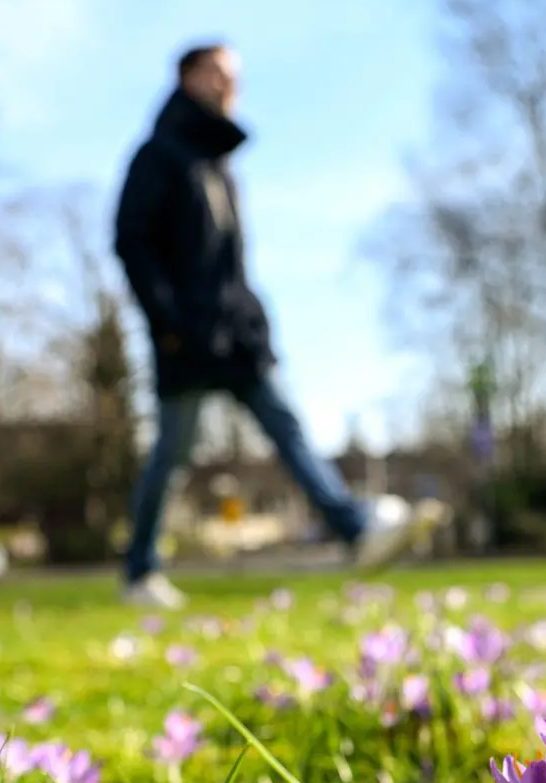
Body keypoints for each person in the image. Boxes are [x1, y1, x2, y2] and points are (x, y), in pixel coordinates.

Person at [112, 41, 447, 609]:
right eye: (217, 72)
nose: (229, 85)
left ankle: (356, 531)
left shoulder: (217, 162)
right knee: (173, 453)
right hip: (187, 338)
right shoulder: (160, 155)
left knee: (287, 428)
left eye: (234, 76)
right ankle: (140, 572)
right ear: (188, 77)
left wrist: (250, 319)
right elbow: (132, 242)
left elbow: (229, 265)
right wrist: (169, 324)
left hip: (236, 336)